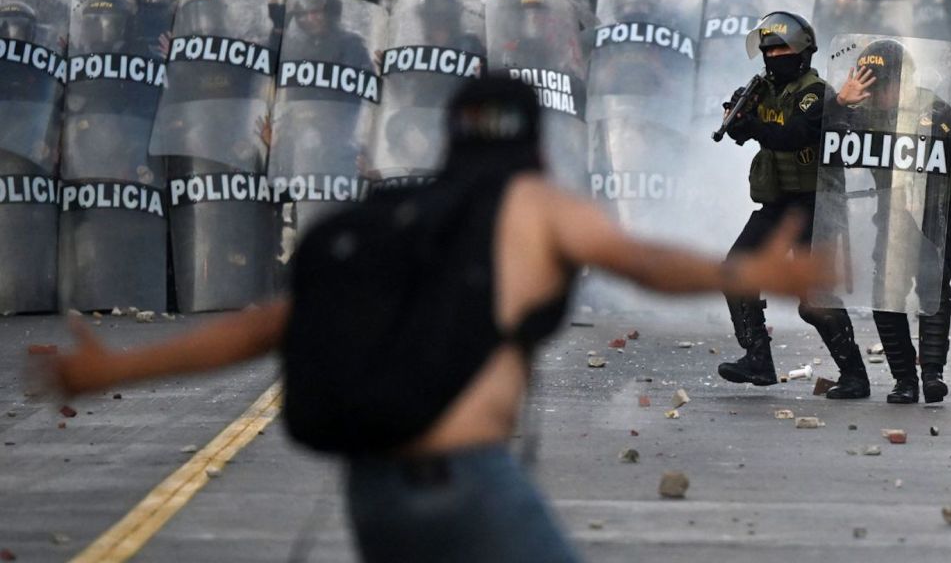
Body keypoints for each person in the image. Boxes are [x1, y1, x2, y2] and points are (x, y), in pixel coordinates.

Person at [46, 75, 832, 563]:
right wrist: (746, 272)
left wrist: (115, 368)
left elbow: (261, 327)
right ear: (533, 140)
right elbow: (641, 262)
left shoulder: (395, 215)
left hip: (374, 495)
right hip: (466, 479)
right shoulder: (531, 203)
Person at [717, 12, 871, 400]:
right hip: (777, 202)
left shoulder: (815, 93)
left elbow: (791, 136)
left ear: (802, 52)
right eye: (768, 49)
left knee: (814, 298)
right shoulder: (763, 89)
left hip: (815, 204)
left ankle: (855, 376)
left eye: (782, 48)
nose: (774, 55)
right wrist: (736, 115)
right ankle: (758, 360)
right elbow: (737, 133)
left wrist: (750, 125)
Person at [834, 39, 951, 403]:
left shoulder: (929, 106)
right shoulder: (859, 112)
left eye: (883, 83)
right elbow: (823, 136)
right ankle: (904, 380)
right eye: (869, 82)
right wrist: (840, 105)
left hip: (940, 209)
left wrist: (936, 132)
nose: (876, 92)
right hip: (894, 209)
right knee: (887, 290)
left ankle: (932, 374)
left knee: (933, 284)